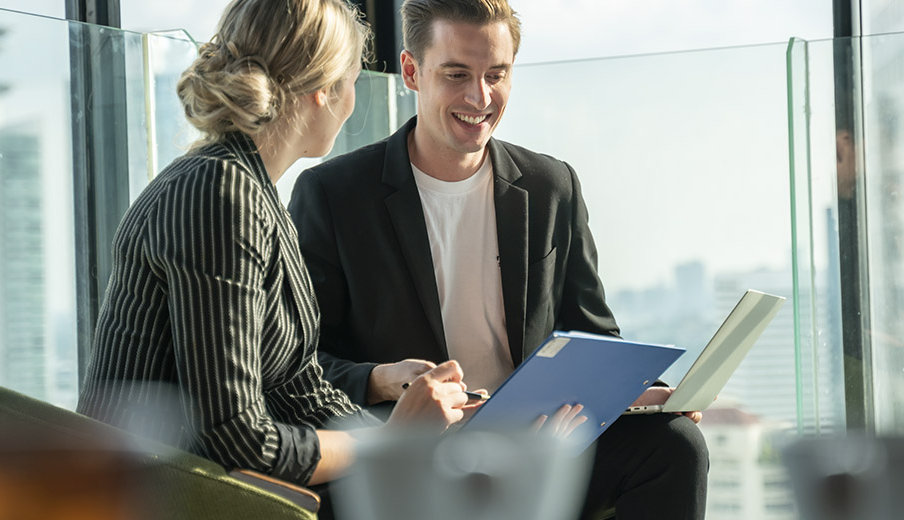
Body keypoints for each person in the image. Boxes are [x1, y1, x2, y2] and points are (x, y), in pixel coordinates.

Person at [288, 0, 709, 518]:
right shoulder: (334, 194)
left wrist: (644, 394)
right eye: (457, 74)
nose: (480, 97)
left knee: (674, 443)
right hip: (415, 454)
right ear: (412, 71)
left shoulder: (552, 186)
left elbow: (594, 334)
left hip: (542, 443)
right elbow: (302, 364)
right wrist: (381, 378)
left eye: (496, 74)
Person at [77, 0, 475, 492]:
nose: (353, 100)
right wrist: (393, 440)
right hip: (148, 498)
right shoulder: (219, 193)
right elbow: (236, 440)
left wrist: (419, 442)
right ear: (323, 91)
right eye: (353, 80)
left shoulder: (251, 192)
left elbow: (298, 388)